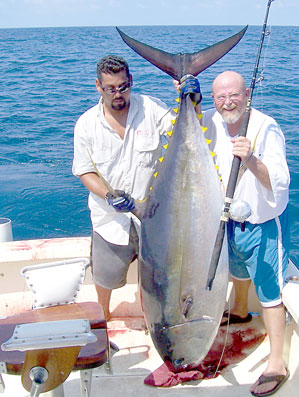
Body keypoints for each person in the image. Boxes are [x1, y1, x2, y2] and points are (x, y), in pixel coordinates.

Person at [202, 71, 290, 397]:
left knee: (270, 292)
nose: (228, 102)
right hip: (228, 221)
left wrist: (251, 159)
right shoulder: (210, 122)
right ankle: (239, 311)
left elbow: (279, 182)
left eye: (234, 95)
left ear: (247, 93)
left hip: (263, 222)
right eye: (220, 97)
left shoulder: (266, 127)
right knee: (237, 271)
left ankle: (277, 363)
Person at [72, 55, 176, 321]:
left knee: (155, 274)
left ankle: (150, 315)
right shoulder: (86, 124)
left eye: (123, 86)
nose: (118, 94)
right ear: (98, 86)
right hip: (110, 218)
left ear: (131, 81)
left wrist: (188, 98)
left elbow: (181, 130)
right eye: (110, 88)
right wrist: (109, 195)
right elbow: (84, 171)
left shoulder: (151, 108)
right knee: (105, 276)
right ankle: (103, 314)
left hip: (152, 215)